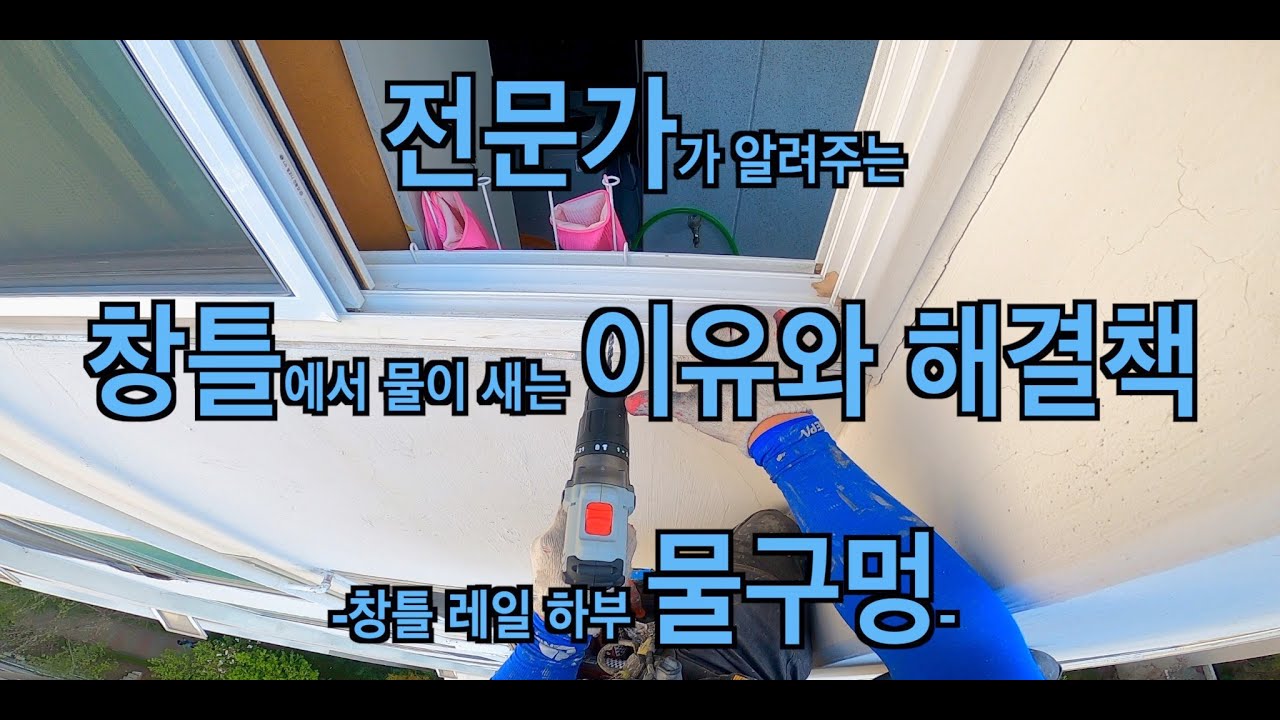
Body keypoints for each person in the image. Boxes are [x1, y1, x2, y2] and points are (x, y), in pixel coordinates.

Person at [495, 314, 1057, 681]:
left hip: (614, 650)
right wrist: (788, 445)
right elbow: (980, 668)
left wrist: (553, 633)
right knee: (768, 552)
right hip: (739, 661)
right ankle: (770, 550)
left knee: (750, 551)